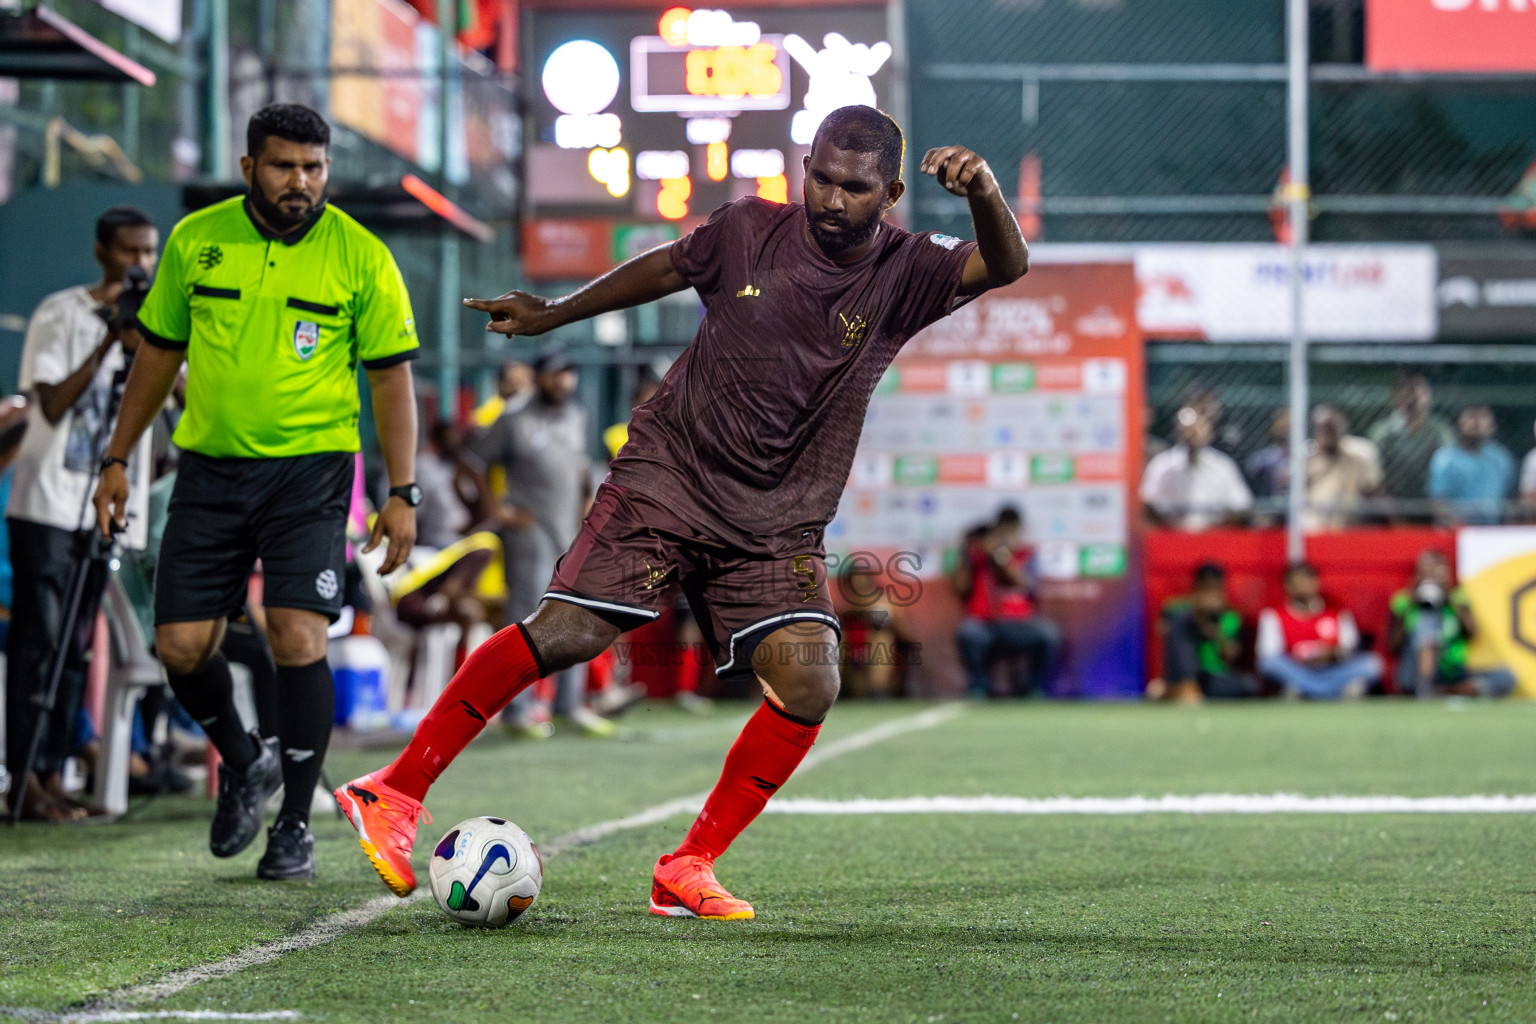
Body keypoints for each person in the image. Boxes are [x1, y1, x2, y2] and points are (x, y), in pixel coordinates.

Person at [334, 105, 1027, 919]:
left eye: (856, 188)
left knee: (809, 682)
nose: (835, 200)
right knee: (569, 633)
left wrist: (983, 190)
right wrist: (556, 312)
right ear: (806, 168)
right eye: (823, 179)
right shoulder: (746, 229)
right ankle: (395, 789)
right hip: (672, 476)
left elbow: (1006, 264)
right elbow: (665, 269)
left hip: (777, 520)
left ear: (892, 192)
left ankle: (688, 865)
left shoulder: (908, 272)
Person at [91, 104, 421, 879]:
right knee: (178, 648)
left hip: (311, 475)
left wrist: (401, 490)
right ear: (249, 168)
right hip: (206, 472)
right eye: (283, 166)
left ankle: (296, 826)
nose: (300, 181)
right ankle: (243, 759)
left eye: (313, 167)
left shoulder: (362, 256)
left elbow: (391, 381)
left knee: (297, 637)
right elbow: (158, 358)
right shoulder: (196, 241)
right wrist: (115, 457)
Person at [4, 207, 158, 823]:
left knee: (76, 651)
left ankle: (53, 773)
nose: (140, 265)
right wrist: (107, 341)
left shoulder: (159, 327)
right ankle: (21, 776)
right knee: (37, 643)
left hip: (103, 511)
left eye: (148, 253)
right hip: (46, 505)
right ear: (102, 253)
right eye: (129, 253)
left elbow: (173, 400)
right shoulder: (60, 312)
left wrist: (148, 344)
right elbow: (51, 401)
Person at [469, 349, 611, 738]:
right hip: (528, 533)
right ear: (539, 377)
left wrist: (588, 502)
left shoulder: (575, 416)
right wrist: (497, 510)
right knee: (526, 622)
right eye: (555, 374)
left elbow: (583, 466)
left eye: (569, 373)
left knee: (579, 615)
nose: (564, 381)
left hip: (570, 533)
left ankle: (569, 705)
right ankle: (517, 712)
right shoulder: (513, 419)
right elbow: (472, 461)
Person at [952, 507, 1061, 698]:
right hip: (986, 625)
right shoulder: (976, 559)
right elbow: (961, 590)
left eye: (1012, 530)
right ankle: (979, 684)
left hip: (1019, 623)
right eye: (1002, 531)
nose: (1007, 535)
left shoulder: (1026, 555)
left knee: (1048, 633)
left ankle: (1032, 686)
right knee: (967, 632)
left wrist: (999, 556)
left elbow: (1024, 584)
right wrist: (967, 554)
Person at [1388, 550, 1515, 699]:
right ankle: (1428, 687)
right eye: (1427, 572)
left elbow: (1472, 634)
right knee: (1427, 623)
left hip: (1452, 669)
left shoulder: (1457, 598)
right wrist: (1413, 603)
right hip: (1414, 670)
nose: (1432, 578)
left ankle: (1445, 691)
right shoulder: (1403, 600)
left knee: (1506, 677)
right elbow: (1393, 646)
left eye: (1437, 572)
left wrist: (1448, 599)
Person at [1256, 563, 1382, 700]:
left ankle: (1305, 690)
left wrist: (1333, 654)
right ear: (1287, 586)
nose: (1305, 585)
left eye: (1309, 579)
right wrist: (1302, 659)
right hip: (1298, 670)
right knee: (1268, 663)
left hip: (1332, 670)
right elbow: (1269, 654)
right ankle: (1332, 691)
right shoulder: (1273, 616)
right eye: (1299, 581)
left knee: (1372, 664)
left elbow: (1350, 648)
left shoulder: (1338, 614)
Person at [1151, 563, 1257, 702]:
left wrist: (1215, 629)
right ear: (1196, 587)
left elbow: (1230, 656)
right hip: (1183, 673)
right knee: (1179, 622)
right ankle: (1184, 687)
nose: (1210, 594)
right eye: (1205, 588)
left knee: (1248, 685)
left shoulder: (1230, 615)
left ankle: (1174, 692)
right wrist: (1196, 616)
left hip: (1212, 676)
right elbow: (1162, 632)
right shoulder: (1177, 609)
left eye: (1214, 588)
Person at [1139, 405, 1253, 531]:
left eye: (1198, 428)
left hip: (1214, 539)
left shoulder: (1222, 465)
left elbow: (1241, 504)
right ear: (1178, 432)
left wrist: (1215, 530)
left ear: (1209, 433)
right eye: (1188, 429)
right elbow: (1146, 501)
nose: (1193, 434)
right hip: (1170, 538)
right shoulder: (1162, 464)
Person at [1366, 374, 1453, 518]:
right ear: (1396, 398)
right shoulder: (1381, 432)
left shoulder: (1441, 431)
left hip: (1433, 510)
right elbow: (1374, 479)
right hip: (1389, 512)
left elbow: (1449, 473)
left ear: (1429, 397)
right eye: (1408, 393)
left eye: (1420, 393)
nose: (1414, 399)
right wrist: (1393, 516)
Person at [1428, 405, 1514, 527]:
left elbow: (1509, 499)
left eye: (1482, 417)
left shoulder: (1501, 458)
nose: (1476, 422)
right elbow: (1438, 502)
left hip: (1494, 531)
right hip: (1453, 530)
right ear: (1459, 424)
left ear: (1492, 425)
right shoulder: (1444, 458)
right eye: (1471, 417)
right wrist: (1461, 527)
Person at [1304, 405, 1381, 531]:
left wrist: (1397, 528)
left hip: (1350, 526)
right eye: (1323, 428)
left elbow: (1374, 491)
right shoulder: (1307, 457)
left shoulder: (1358, 454)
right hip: (1314, 526)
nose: (1327, 434)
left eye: (1331, 428)